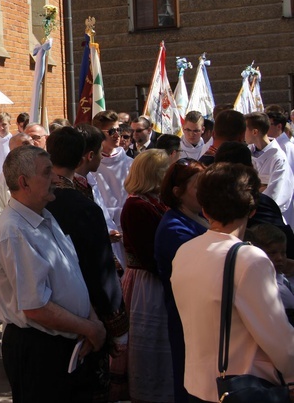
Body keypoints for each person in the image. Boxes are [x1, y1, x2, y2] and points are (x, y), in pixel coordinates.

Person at [0, 145, 106, 401]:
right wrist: (90, 328)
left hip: (66, 343)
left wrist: (91, 322)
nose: (56, 179)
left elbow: (71, 274)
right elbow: (35, 307)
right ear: (24, 182)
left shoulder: (45, 216)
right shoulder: (14, 231)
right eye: (47, 172)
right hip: (40, 349)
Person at [172, 163, 294, 402]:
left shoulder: (185, 251)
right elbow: (281, 343)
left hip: (199, 387)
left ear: (205, 210)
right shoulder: (250, 259)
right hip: (244, 389)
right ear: (252, 210)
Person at [45, 128, 128, 402]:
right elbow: (99, 269)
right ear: (84, 155)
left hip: (46, 313)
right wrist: (115, 327)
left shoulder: (36, 201)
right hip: (82, 314)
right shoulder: (77, 204)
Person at [120, 149, 173, 402]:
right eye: (164, 170)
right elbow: (148, 251)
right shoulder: (136, 205)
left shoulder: (156, 201)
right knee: (149, 348)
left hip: (157, 280)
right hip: (147, 284)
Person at [154, 158, 208, 403]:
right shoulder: (175, 228)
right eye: (199, 187)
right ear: (178, 193)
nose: (207, 192)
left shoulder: (198, 217)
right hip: (188, 319)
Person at [91, 110, 133, 269]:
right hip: (104, 230)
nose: (117, 135)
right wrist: (107, 227)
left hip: (127, 228)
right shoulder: (92, 166)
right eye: (111, 131)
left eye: (119, 130)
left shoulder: (131, 164)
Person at [244, 112, 294, 224]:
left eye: (245, 129)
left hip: (268, 219)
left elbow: (274, 194)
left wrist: (252, 193)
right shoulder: (247, 152)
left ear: (255, 132)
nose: (243, 134)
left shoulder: (278, 158)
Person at [245, 224, 294, 325]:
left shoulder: (284, 275)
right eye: (272, 253)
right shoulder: (267, 286)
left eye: (283, 252)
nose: (279, 258)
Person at [0, 132, 32, 231]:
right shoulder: (1, 182)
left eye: (30, 144)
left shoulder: (45, 173)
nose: (29, 149)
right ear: (12, 152)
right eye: (24, 145)